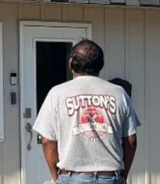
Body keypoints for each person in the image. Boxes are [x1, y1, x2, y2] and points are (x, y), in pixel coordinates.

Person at [32, 39, 140, 184]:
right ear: (100, 65)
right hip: (110, 177)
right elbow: (131, 140)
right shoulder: (119, 93)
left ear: (71, 64)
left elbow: (47, 141)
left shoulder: (57, 93)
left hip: (71, 176)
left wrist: (56, 177)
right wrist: (123, 176)